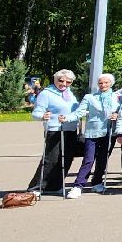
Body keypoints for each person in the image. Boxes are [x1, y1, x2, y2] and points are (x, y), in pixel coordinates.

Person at [28, 68, 82, 197]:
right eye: (61, 81)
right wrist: (43, 116)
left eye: (68, 82)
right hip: (55, 130)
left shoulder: (70, 94)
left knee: (66, 159)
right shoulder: (47, 93)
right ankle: (36, 187)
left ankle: (55, 185)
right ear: (55, 80)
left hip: (70, 129)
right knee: (51, 159)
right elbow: (36, 112)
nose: (64, 84)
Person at [73, 73, 120, 193]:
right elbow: (80, 112)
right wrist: (67, 118)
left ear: (111, 83)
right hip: (93, 132)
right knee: (88, 159)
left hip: (109, 132)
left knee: (103, 159)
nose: (103, 85)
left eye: (106, 83)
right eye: (100, 83)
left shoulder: (116, 97)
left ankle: (97, 182)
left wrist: (117, 115)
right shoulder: (90, 97)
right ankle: (78, 185)